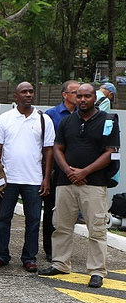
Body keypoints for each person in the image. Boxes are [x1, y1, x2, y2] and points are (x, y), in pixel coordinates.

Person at [39, 83, 119, 289]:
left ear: (95, 98)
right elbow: (58, 148)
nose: (82, 99)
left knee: (97, 229)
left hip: (94, 184)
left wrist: (84, 172)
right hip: (66, 182)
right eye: (79, 96)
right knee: (61, 225)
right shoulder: (67, 121)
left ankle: (96, 271)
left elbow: (110, 152)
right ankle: (60, 263)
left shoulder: (107, 121)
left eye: (87, 96)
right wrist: (68, 171)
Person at [0, 82, 54, 273]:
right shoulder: (4, 119)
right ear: (15, 96)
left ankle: (29, 257)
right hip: (8, 180)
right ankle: (1, 255)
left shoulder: (44, 120)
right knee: (3, 219)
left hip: (34, 180)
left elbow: (48, 150)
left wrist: (46, 178)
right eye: (24, 92)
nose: (28, 95)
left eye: (31, 92)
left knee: (33, 220)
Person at [43, 80, 80, 259]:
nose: (79, 97)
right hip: (57, 171)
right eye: (75, 93)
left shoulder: (86, 114)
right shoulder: (51, 115)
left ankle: (65, 250)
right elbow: (47, 146)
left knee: (71, 213)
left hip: (80, 171)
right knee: (52, 210)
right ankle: (51, 250)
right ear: (65, 95)